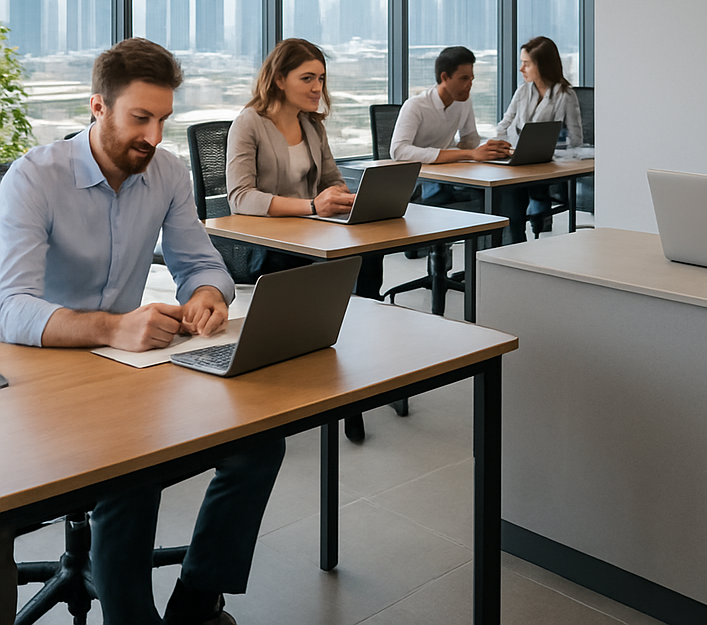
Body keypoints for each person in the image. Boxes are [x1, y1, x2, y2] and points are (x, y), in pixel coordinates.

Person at [0, 38, 283, 625]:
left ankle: (198, 599)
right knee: (131, 468)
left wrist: (206, 295)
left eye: (163, 120)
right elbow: (9, 307)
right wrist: (112, 328)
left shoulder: (168, 173)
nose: (154, 137)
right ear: (98, 107)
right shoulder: (35, 178)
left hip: (133, 374)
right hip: (42, 385)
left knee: (260, 443)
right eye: (140, 118)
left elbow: (202, 265)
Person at [227, 39, 383, 440]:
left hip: (312, 232)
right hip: (266, 243)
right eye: (308, 78)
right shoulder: (250, 123)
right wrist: (312, 207)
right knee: (318, 279)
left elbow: (331, 180)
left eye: (322, 79)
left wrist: (354, 200)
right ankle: (310, 390)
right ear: (279, 79)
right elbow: (240, 197)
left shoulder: (312, 124)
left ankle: (345, 383)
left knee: (366, 260)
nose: (318, 88)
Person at [390, 45, 511, 203]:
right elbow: (398, 151)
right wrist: (469, 154)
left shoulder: (463, 101)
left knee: (501, 192)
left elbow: (470, 138)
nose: (469, 85)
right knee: (483, 198)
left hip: (448, 174)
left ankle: (509, 228)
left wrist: (489, 147)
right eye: (463, 79)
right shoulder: (416, 105)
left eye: (471, 79)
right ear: (445, 77)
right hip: (418, 181)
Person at [495, 36, 583, 243]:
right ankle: (515, 243)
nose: (521, 69)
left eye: (526, 64)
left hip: (550, 164)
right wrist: (501, 145)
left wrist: (551, 150)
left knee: (515, 190)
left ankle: (523, 231)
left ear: (542, 65)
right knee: (511, 192)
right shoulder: (523, 91)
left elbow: (575, 138)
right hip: (518, 160)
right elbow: (504, 125)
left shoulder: (565, 95)